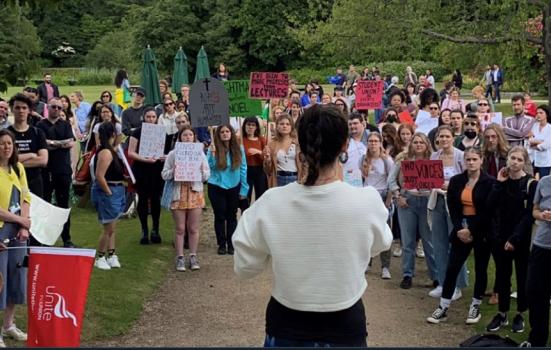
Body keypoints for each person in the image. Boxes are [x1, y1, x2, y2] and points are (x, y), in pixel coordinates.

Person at [232, 104, 392, 347]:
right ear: (344, 146)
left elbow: (245, 267)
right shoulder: (367, 201)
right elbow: (380, 244)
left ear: (299, 144)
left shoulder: (271, 203)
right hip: (344, 321)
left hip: (287, 321)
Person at [426, 147, 495, 325]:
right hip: (461, 227)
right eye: (468, 159)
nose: (471, 162)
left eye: (474, 159)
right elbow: (453, 206)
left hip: (481, 230)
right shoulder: (457, 181)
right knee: (452, 268)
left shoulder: (489, 182)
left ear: (481, 160)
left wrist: (472, 230)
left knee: (481, 268)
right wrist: (459, 229)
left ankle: (475, 306)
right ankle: (443, 306)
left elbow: (488, 210)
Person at [486, 146, 537, 333]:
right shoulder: (501, 181)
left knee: (523, 277)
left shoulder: (530, 184)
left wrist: (515, 238)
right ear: (507, 159)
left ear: (525, 162)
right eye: (512, 158)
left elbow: (529, 214)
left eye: (519, 159)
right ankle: (502, 313)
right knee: (502, 276)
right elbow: (490, 206)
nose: (514, 162)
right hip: (500, 236)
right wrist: (499, 183)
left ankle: (521, 313)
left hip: (521, 238)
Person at [388, 132, 437, 289]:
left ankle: (435, 276)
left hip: (427, 201)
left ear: (426, 144)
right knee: (407, 241)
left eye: (421, 142)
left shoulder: (433, 160)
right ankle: (407, 274)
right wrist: (397, 195)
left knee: (428, 240)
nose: (418, 145)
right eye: (415, 142)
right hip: (407, 201)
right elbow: (391, 179)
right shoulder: (403, 160)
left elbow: (438, 181)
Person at [162, 126, 210, 271]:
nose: (188, 137)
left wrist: (202, 171)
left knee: (193, 227)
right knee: (180, 228)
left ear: (194, 137)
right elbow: (164, 174)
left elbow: (207, 175)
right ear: (180, 138)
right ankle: (180, 257)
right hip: (178, 194)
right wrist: (173, 171)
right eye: (185, 135)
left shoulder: (200, 154)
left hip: (194, 192)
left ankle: (193, 255)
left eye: (190, 135)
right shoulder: (173, 154)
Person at [0, 129, 31, 347]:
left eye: (9, 143)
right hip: (2, 230)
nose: (6, 147)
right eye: (2, 143)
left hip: (19, 232)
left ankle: (9, 325)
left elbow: (26, 196)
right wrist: (19, 220)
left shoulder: (18, 168)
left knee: (16, 278)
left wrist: (25, 225)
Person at [428, 126, 467, 301]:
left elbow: (467, 179)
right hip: (437, 202)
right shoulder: (434, 156)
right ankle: (444, 283)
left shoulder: (460, 156)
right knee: (439, 243)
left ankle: (457, 285)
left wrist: (450, 185)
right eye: (440, 136)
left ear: (452, 137)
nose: (444, 139)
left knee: (457, 244)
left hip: (456, 204)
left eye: (446, 136)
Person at [36, 98, 76, 248]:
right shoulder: (40, 125)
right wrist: (60, 144)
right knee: (45, 204)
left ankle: (66, 238)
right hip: (46, 170)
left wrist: (52, 143)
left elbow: (70, 142)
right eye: (54, 107)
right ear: (48, 108)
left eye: (60, 108)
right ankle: (44, 239)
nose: (57, 110)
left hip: (63, 170)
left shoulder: (65, 124)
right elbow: (42, 144)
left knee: (64, 205)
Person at [207, 124, 248, 255]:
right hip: (216, 185)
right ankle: (221, 244)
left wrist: (244, 189)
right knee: (219, 215)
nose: (225, 134)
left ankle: (231, 243)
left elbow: (243, 169)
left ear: (231, 133)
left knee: (231, 215)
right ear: (218, 135)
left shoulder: (239, 149)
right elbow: (209, 168)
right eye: (222, 132)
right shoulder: (213, 148)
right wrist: (212, 155)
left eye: (227, 131)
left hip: (233, 185)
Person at [128, 107, 165, 245]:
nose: (151, 119)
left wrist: (162, 157)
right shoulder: (137, 132)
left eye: (153, 117)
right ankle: (144, 230)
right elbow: (131, 152)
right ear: (144, 118)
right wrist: (144, 159)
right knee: (142, 199)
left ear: (156, 118)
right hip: (141, 168)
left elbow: (165, 151)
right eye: (148, 117)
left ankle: (155, 228)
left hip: (156, 169)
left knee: (155, 199)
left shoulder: (161, 131)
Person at [91, 122, 126, 270]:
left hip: (117, 189)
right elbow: (100, 176)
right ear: (113, 135)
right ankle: (100, 256)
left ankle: (111, 254)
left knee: (112, 227)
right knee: (108, 228)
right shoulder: (105, 152)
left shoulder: (111, 151)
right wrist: (108, 192)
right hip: (109, 191)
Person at [361, 132, 394, 279]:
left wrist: (388, 200)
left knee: (383, 230)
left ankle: (385, 266)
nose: (372, 144)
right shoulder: (364, 159)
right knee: (366, 231)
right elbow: (362, 178)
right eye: (370, 141)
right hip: (367, 196)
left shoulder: (387, 161)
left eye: (375, 141)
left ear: (380, 143)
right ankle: (367, 262)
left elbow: (391, 181)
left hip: (382, 196)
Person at [525, 174, 551, 347]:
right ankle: (537, 339)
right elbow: (534, 210)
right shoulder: (544, 181)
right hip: (541, 245)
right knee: (535, 293)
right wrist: (542, 215)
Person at [7, 94, 48, 198]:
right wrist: (31, 155)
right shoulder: (6, 134)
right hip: (12, 180)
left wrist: (15, 161)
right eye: (17, 107)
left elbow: (43, 160)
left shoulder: (38, 132)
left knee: (35, 213)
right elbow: (4, 160)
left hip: (34, 182)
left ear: (29, 110)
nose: (21, 111)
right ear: (12, 109)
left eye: (24, 108)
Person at [263, 114, 301, 188]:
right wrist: (267, 160)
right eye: (282, 124)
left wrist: (303, 179)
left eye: (287, 124)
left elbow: (304, 164)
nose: (284, 126)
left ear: (291, 127)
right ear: (277, 126)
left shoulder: (298, 142)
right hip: (278, 179)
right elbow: (268, 171)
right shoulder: (272, 144)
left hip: (296, 180)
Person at [242, 117, 268, 204]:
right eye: (248, 125)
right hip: (246, 170)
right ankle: (245, 214)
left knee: (260, 195)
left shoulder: (261, 140)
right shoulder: (241, 140)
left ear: (256, 127)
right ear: (244, 126)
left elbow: (266, 156)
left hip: (260, 170)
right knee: (246, 195)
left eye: (253, 125)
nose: (250, 127)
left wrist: (258, 152)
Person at [527, 105, 551, 178]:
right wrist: (540, 141)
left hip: (545, 161)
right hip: (533, 159)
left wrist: (535, 144)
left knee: (543, 182)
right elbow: (529, 140)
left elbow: (546, 145)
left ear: (546, 114)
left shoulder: (549, 128)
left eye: (541, 113)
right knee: (532, 181)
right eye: (537, 113)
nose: (538, 115)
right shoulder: (534, 126)